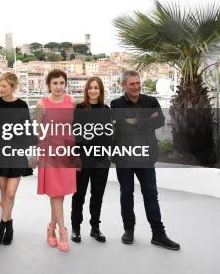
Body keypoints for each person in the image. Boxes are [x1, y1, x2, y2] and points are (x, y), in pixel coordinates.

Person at [110, 70, 180, 250]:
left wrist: (135, 121)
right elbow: (123, 128)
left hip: (146, 156)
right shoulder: (116, 104)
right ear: (124, 85)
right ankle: (129, 230)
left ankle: (158, 234)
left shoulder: (151, 101)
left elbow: (160, 121)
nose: (136, 87)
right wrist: (145, 121)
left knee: (151, 195)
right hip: (124, 156)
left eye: (138, 83)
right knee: (126, 195)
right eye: (132, 84)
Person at [36, 70, 77, 252]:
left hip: (67, 151)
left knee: (60, 194)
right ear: (49, 85)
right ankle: (62, 231)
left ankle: (50, 228)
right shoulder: (41, 104)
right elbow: (38, 131)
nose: (59, 86)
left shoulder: (72, 102)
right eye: (55, 83)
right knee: (55, 193)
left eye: (61, 83)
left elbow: (74, 128)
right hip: (50, 151)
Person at [0, 72, 33, 246]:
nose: (1, 89)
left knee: (10, 193)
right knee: (4, 192)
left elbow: (27, 130)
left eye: (4, 86)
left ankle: (2, 225)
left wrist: (31, 153)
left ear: (13, 87)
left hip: (16, 151)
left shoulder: (22, 105)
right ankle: (9, 223)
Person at [70, 77, 112, 244]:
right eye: (90, 88)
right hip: (83, 159)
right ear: (86, 90)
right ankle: (76, 228)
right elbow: (74, 135)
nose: (93, 91)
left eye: (96, 88)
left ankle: (95, 227)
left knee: (97, 196)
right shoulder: (80, 108)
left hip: (101, 159)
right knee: (78, 196)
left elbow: (108, 134)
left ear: (100, 90)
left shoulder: (106, 109)